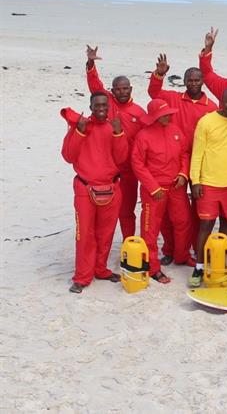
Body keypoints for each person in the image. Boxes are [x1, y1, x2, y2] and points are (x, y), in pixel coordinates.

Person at [148, 53, 217, 266]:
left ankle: (196, 247)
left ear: (202, 81)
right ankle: (170, 249)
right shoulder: (174, 98)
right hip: (175, 163)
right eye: (190, 80)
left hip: (200, 165)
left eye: (197, 80)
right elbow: (154, 93)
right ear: (185, 82)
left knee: (198, 210)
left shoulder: (211, 106)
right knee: (171, 213)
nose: (194, 83)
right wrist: (159, 74)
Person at [60, 93, 128, 293]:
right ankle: (82, 277)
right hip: (85, 189)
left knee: (105, 233)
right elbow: (68, 156)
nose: (101, 108)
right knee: (85, 235)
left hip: (111, 188)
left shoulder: (113, 127)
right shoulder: (80, 126)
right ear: (90, 106)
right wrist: (79, 132)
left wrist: (118, 134)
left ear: (109, 106)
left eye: (104, 105)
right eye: (97, 104)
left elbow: (122, 158)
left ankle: (100, 269)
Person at [84, 45, 145, 241]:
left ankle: (129, 243)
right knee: (102, 209)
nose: (121, 92)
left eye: (125, 88)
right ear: (112, 91)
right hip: (106, 169)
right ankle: (99, 244)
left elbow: (145, 143)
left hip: (128, 171)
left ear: (131, 89)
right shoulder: (107, 103)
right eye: (117, 89)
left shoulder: (139, 112)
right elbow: (95, 86)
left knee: (126, 211)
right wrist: (91, 63)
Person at [130, 99, 193, 284]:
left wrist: (183, 173)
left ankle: (181, 256)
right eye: (163, 115)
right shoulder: (143, 135)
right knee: (150, 229)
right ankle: (152, 268)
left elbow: (184, 154)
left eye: (168, 114)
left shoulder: (175, 130)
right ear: (154, 117)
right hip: (154, 189)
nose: (167, 117)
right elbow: (137, 164)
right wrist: (153, 187)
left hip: (176, 186)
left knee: (183, 221)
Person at [188, 88, 227, 288]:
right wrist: (195, 181)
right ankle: (199, 266)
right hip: (208, 184)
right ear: (221, 101)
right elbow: (197, 154)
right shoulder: (206, 122)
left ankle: (220, 262)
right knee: (206, 226)